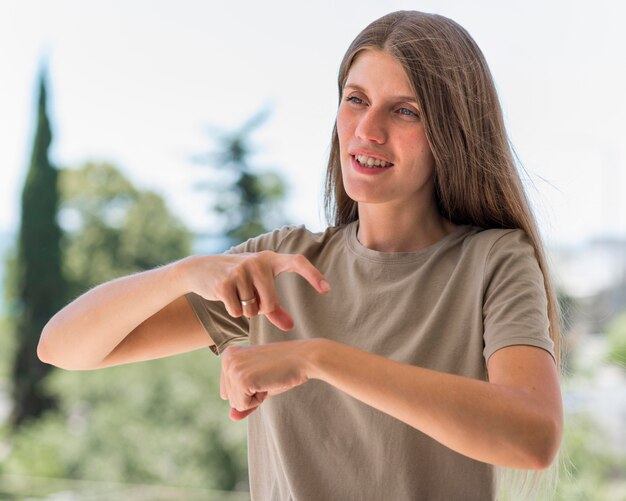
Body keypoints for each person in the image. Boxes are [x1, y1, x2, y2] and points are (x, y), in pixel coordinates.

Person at [38, 10, 562, 500]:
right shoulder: (280, 265)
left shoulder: (494, 260)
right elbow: (63, 347)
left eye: (405, 111)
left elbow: (532, 437)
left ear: (454, 131)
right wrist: (183, 273)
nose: (367, 130)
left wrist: (318, 357)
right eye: (356, 99)